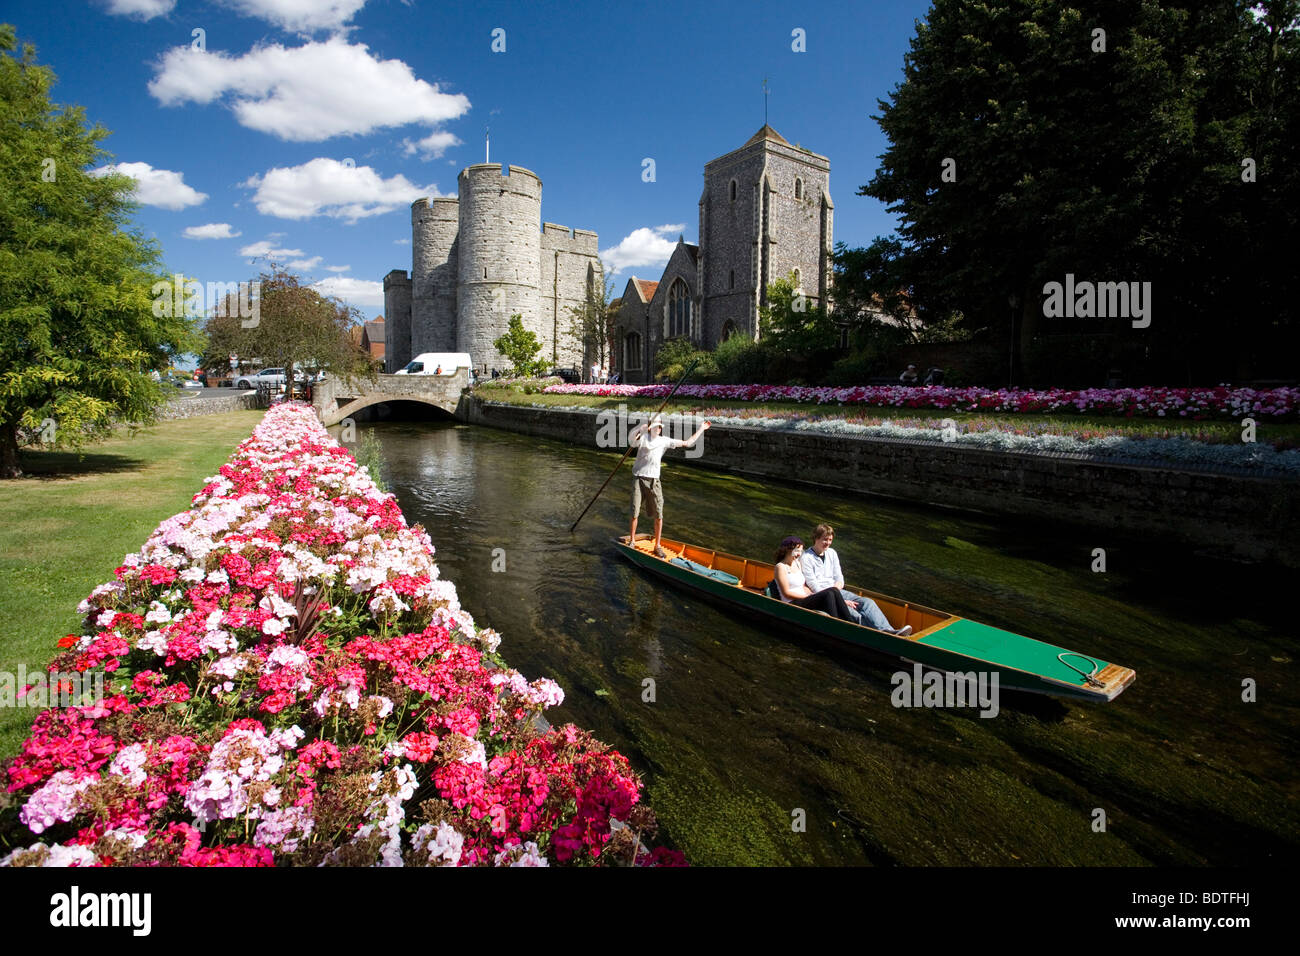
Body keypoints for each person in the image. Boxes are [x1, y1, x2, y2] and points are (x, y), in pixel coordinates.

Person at [800, 523, 912, 635]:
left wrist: (836, 591)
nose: (828, 543)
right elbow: (813, 586)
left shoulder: (832, 553)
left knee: (868, 602)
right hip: (824, 596)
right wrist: (840, 600)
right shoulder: (806, 558)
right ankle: (877, 635)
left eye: (830, 540)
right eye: (825, 539)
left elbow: (839, 578)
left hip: (837, 590)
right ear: (816, 538)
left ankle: (888, 630)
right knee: (854, 613)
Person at [626, 414, 709, 558]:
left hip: (654, 481)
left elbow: (688, 443)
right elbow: (631, 441)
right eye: (655, 426)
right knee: (634, 512)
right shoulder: (643, 438)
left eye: (660, 426)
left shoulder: (664, 441)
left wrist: (702, 428)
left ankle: (657, 545)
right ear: (651, 427)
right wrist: (640, 429)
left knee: (659, 514)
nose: (658, 428)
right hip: (639, 478)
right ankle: (632, 541)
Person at [772, 537, 856, 621]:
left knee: (833, 590)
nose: (799, 554)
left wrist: (813, 595)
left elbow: (803, 586)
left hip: (804, 599)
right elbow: (786, 593)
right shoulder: (780, 567)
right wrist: (805, 597)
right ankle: (837, 623)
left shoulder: (797, 563)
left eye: (800, 551)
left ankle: (848, 622)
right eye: (797, 551)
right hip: (791, 602)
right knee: (828, 594)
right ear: (787, 550)